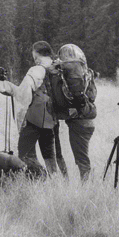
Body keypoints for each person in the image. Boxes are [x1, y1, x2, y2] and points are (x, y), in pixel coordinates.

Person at [0, 41, 59, 178]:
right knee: (49, 155)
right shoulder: (55, 67)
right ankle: (54, 182)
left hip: (34, 119)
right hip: (50, 119)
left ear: (36, 53)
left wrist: (2, 84)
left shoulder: (37, 69)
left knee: (25, 155)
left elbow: (22, 95)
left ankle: (36, 181)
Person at [48, 43, 97, 179]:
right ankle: (85, 183)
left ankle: (86, 185)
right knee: (81, 157)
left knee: (81, 159)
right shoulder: (87, 74)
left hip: (80, 121)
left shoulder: (65, 74)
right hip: (85, 119)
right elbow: (91, 97)